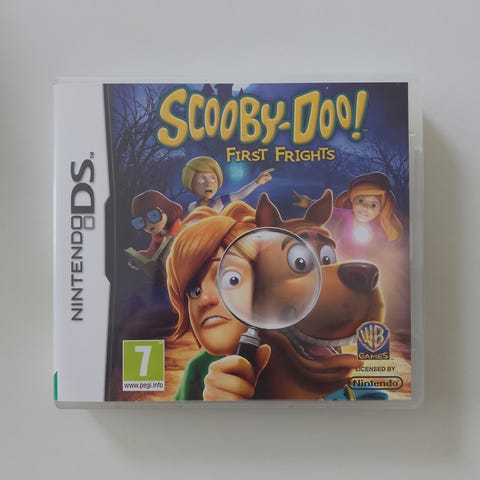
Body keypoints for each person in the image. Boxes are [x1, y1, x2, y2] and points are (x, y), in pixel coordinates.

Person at [166, 201, 271, 400]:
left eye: (231, 279)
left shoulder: (299, 359)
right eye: (194, 290)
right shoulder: (198, 369)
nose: (204, 299)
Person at [292, 172, 403, 260]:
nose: (365, 207)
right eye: (361, 201)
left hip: (360, 256)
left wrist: (382, 246)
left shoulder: (377, 227)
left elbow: (382, 241)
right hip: (339, 250)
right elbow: (330, 209)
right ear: (353, 201)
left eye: (373, 205)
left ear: (380, 210)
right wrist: (309, 202)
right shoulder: (348, 214)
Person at [182, 155, 273, 213]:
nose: (208, 184)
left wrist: (257, 182)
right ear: (190, 183)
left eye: (212, 179)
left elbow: (239, 194)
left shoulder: (219, 202)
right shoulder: (192, 207)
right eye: (202, 179)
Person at [130, 190, 183, 260]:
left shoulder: (182, 232)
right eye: (140, 221)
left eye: (154, 215)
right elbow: (152, 253)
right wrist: (139, 257)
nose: (148, 224)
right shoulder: (157, 237)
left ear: (166, 210)